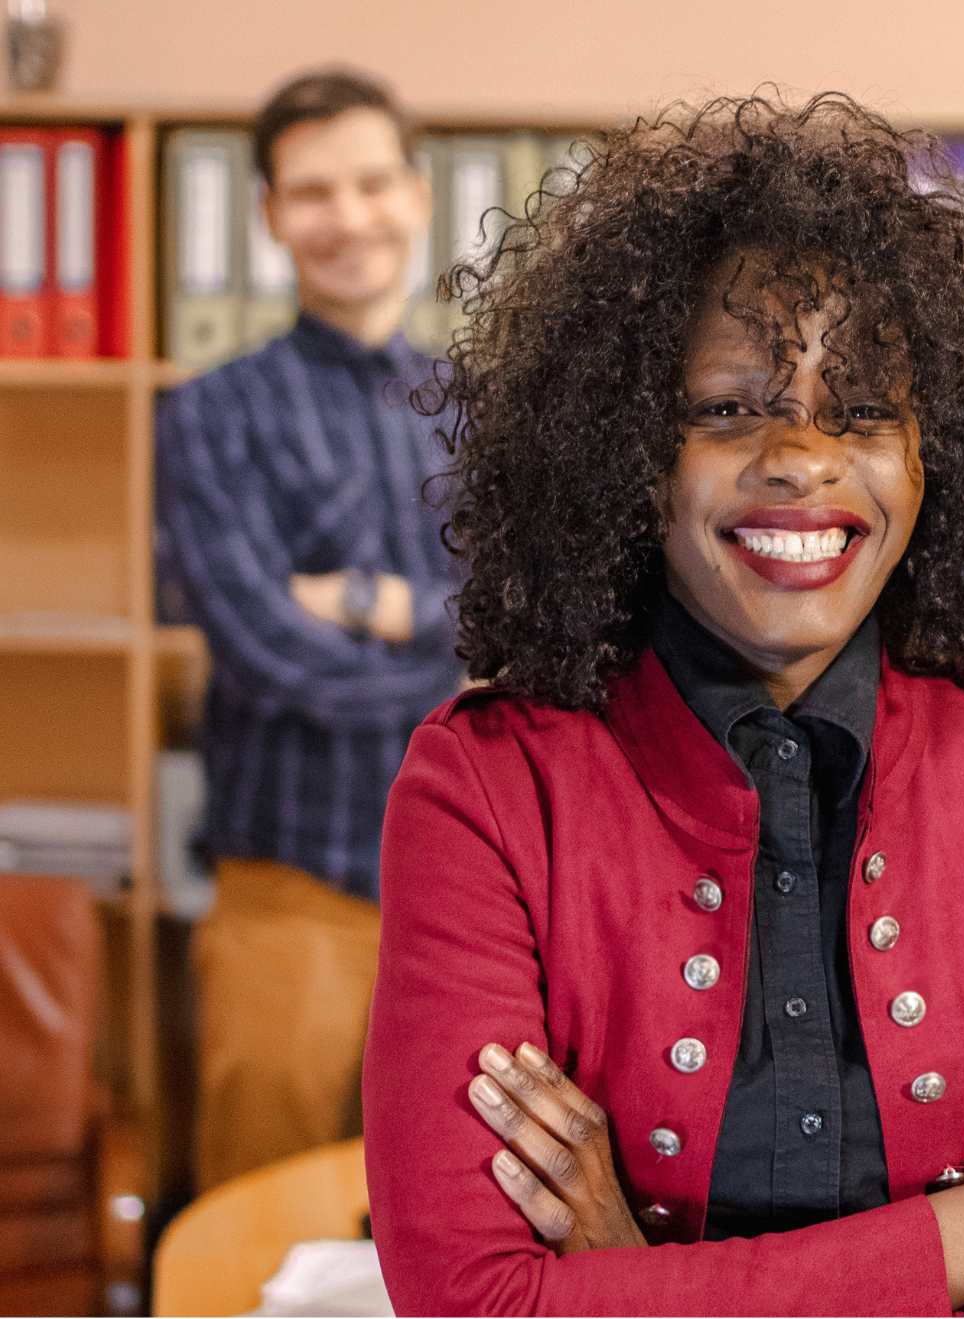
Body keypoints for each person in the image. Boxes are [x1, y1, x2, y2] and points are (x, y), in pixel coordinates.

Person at [362, 94, 964, 1314]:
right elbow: (475, 1302)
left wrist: (631, 1284)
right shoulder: (487, 788)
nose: (802, 459)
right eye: (728, 407)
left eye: (864, 411)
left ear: (933, 455)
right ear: (626, 452)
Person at [156, 69, 463, 1192]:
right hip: (293, 896)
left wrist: (371, 602)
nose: (348, 217)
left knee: (452, 1226)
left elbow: (557, 620)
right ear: (271, 214)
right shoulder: (210, 413)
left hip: (475, 903)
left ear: (417, 194)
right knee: (261, 1225)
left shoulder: (484, 409)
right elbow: (268, 654)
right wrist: (466, 659)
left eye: (372, 183)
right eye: (314, 191)